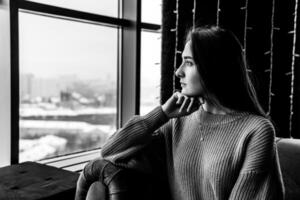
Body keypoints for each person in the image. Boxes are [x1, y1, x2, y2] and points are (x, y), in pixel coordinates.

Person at [80, 26, 285, 200]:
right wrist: (160, 114)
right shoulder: (178, 123)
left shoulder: (256, 130)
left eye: (188, 62)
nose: (178, 72)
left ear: (214, 67)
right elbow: (109, 151)